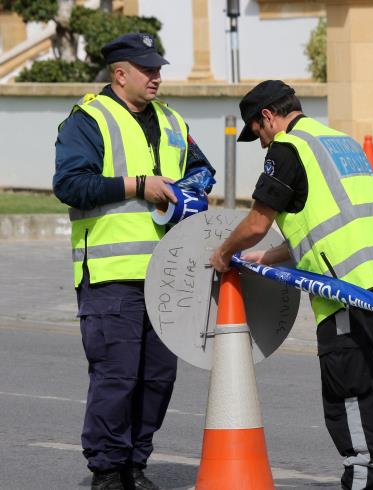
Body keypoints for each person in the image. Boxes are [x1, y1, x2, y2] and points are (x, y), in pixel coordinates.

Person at [209, 80, 373, 490]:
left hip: (346, 290)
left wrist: (224, 253)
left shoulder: (288, 148)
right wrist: (268, 257)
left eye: (257, 132)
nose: (262, 142)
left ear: (267, 117)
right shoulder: (339, 142)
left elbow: (257, 222)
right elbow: (328, 221)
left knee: (350, 389)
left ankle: (362, 477)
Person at [53, 33, 215, 490]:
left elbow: (201, 169)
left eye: (159, 68)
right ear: (120, 74)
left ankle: (136, 463)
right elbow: (70, 185)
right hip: (111, 275)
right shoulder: (89, 120)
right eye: (148, 69)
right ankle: (107, 469)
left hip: (167, 274)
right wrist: (137, 185)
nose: (157, 77)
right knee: (117, 376)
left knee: (158, 378)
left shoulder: (170, 119)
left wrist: (191, 188)